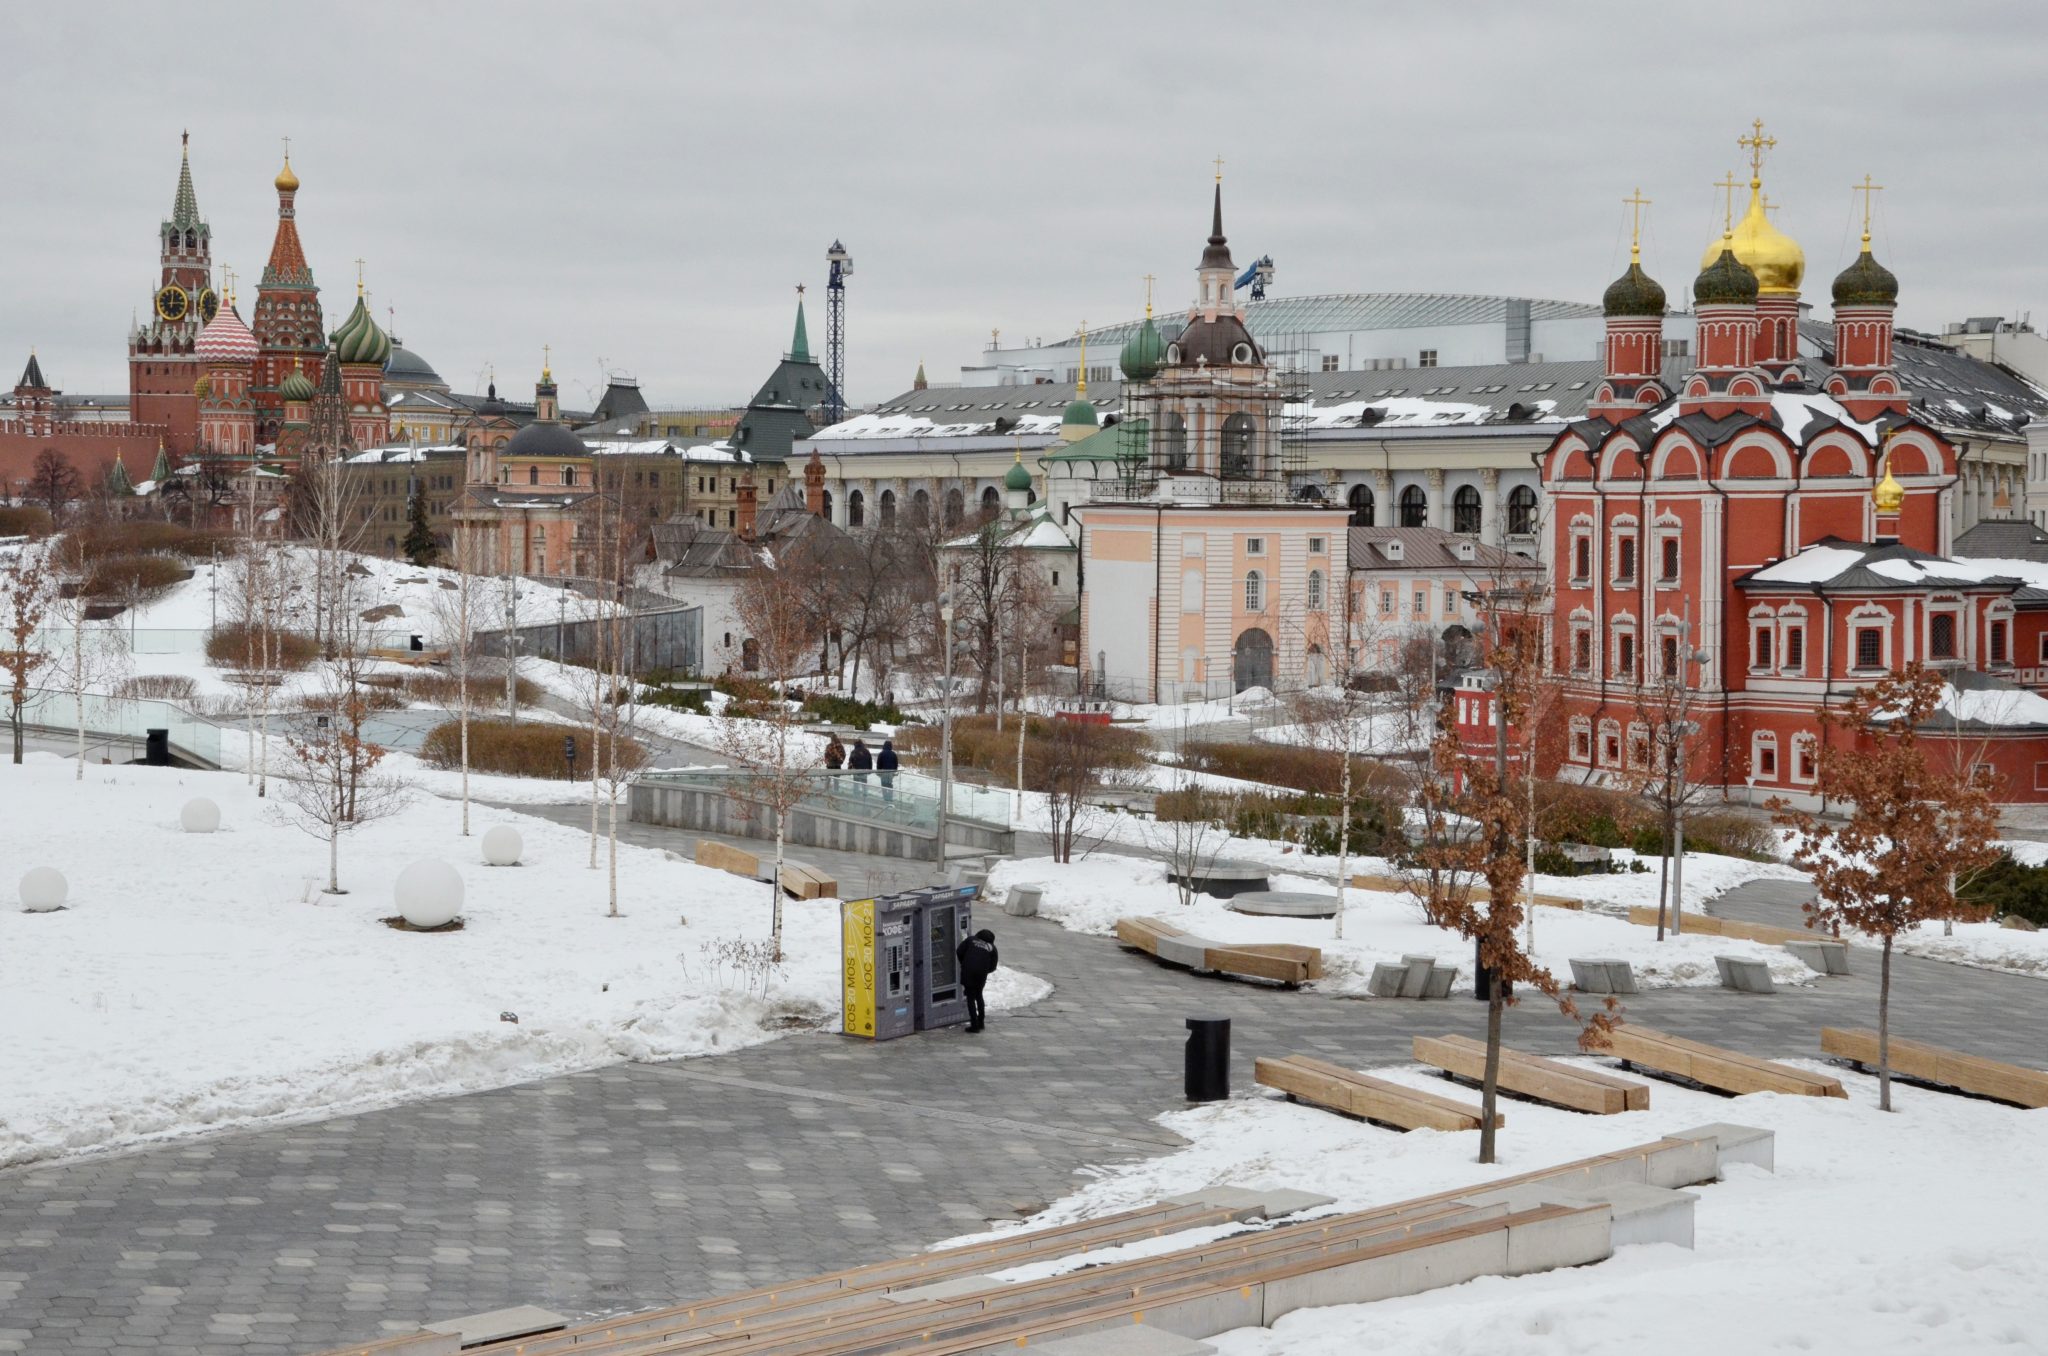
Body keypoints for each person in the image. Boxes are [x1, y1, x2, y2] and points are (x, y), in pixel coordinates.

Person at [956, 928, 998, 1032]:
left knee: (970, 997)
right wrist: (984, 970)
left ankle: (974, 1025)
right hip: (981, 974)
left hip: (968, 971)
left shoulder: (970, 940)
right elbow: (993, 966)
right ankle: (981, 1022)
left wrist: (965, 963)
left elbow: (959, 951)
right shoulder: (992, 947)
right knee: (979, 995)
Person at [876, 738, 898, 802]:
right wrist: (894, 771)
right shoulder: (894, 754)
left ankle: (885, 798)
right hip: (891, 772)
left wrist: (878, 771)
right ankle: (890, 798)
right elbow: (896, 764)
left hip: (883, 772)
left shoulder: (881, 754)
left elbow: (878, 763)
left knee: (884, 785)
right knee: (890, 785)